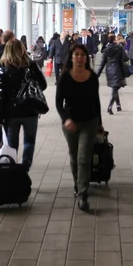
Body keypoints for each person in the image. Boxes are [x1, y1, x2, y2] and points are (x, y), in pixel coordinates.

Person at [56, 44, 102, 212]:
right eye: (76, 54)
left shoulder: (92, 77)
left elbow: (96, 101)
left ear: (86, 58)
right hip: (71, 123)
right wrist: (66, 119)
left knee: (84, 158)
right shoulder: (65, 78)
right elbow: (58, 103)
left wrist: (100, 124)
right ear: (72, 57)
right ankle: (77, 185)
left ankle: (83, 194)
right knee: (74, 158)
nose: (80, 57)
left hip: (90, 122)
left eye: (83, 54)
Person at [0, 39, 47, 171]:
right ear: (22, 49)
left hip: (11, 114)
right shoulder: (32, 65)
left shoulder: (2, 68)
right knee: (29, 141)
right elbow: (43, 85)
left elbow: (0, 96)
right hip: (31, 111)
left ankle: (13, 170)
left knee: (12, 145)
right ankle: (25, 168)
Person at [97, 34, 128, 114]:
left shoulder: (106, 50)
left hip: (109, 71)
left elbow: (102, 64)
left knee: (115, 87)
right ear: (114, 40)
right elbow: (126, 58)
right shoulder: (119, 48)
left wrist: (97, 74)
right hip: (118, 70)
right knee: (115, 88)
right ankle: (110, 107)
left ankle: (118, 105)